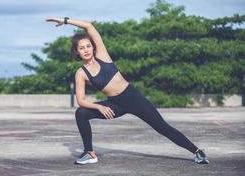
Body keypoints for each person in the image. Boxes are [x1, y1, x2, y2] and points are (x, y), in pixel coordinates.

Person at [46, 17, 209, 165]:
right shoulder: (81, 73)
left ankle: (197, 152)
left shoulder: (103, 55)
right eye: (82, 48)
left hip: (133, 98)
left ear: (93, 47)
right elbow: (81, 100)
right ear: (77, 52)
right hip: (115, 105)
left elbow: (89, 26)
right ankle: (89, 153)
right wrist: (99, 107)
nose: (86, 50)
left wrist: (65, 21)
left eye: (88, 46)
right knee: (81, 113)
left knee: (162, 127)